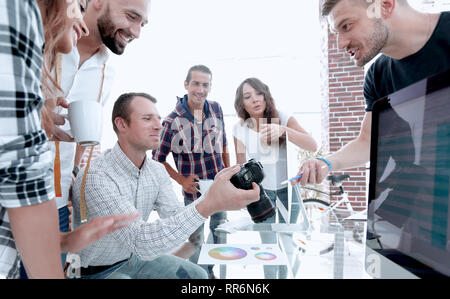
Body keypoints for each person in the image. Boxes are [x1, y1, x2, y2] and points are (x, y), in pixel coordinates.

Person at [0, 0, 137, 279]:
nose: (81, 18)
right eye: (77, 3)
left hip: (53, 200)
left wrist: (62, 239)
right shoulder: (21, 18)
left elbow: (79, 138)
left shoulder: (106, 72)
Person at [71, 92, 260, 279]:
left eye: (158, 119)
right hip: (92, 271)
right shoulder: (97, 176)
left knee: (197, 275)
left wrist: (215, 194)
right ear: (121, 124)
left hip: (133, 259)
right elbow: (141, 241)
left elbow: (175, 216)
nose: (158, 126)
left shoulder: (156, 171)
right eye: (147, 119)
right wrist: (211, 203)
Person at [34, 0, 151, 279]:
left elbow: (81, 136)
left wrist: (74, 177)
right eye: (132, 17)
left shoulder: (106, 73)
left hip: (57, 204)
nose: (136, 32)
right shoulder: (41, 35)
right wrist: (30, 114)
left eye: (142, 24)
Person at [295, 0, 450, 186]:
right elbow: (369, 141)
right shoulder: (378, 76)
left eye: (347, 26)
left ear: (385, 5)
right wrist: (326, 163)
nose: (341, 44)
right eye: (336, 33)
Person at [233, 77, 318, 278]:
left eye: (258, 93)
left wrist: (283, 130)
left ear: (265, 94)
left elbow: (312, 145)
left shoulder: (283, 117)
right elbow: (240, 167)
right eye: (247, 96)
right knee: (269, 250)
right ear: (242, 103)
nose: (255, 99)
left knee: (288, 246)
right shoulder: (239, 129)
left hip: (289, 191)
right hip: (261, 195)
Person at [152, 65, 230, 278]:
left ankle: (212, 274)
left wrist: (229, 173)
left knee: (220, 233)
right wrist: (181, 181)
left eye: (205, 85)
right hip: (194, 192)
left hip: (220, 186)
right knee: (196, 240)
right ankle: (200, 277)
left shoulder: (216, 109)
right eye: (196, 83)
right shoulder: (171, 121)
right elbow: (157, 159)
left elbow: (223, 144)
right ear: (186, 85)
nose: (200, 89)